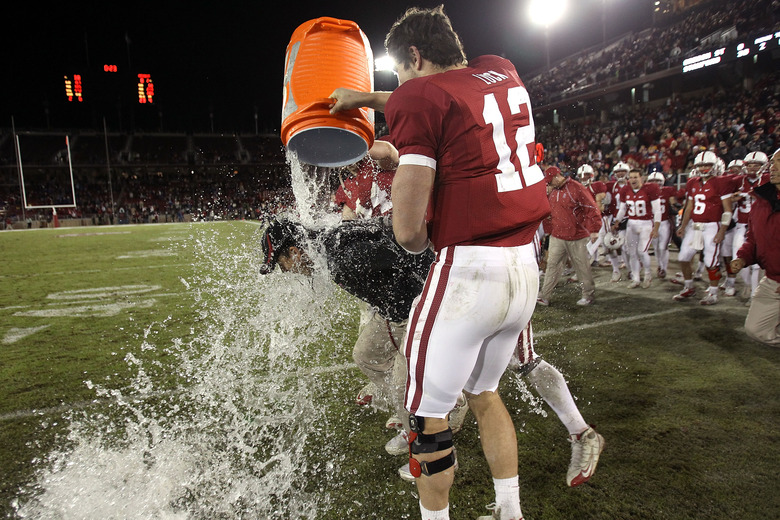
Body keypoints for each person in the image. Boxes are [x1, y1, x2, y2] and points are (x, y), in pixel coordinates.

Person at [330, 7, 554, 520]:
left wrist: (408, 163)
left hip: (469, 273)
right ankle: (509, 511)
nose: (401, 84)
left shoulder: (419, 95)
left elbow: (408, 233)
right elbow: (448, 102)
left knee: (427, 419)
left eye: (402, 69)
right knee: (485, 392)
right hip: (524, 268)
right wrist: (368, 99)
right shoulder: (500, 69)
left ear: (413, 55)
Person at [258, 217, 469, 478]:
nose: (286, 271)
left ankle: (436, 454)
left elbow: (412, 255)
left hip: (420, 307)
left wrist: (431, 307)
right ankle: (418, 419)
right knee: (366, 355)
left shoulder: (343, 257)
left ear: (294, 251)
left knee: (404, 383)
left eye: (282, 264)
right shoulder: (328, 245)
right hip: (395, 310)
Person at [672, 151, 736, 305]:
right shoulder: (692, 182)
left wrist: (722, 231)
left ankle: (713, 293)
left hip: (712, 225)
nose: (704, 168)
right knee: (683, 257)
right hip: (695, 226)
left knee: (710, 261)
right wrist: (683, 225)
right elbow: (689, 207)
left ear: (715, 165)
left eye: (707, 165)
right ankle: (689, 287)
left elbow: (727, 210)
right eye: (701, 165)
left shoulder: (721, 182)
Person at [730, 148, 780, 345]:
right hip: (772, 279)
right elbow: (753, 239)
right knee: (755, 329)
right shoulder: (761, 201)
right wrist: (743, 257)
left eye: (779, 162)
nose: (772, 167)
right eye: (773, 162)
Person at [537, 166, 602, 306]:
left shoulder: (576, 188)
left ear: (557, 176)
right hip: (558, 235)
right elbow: (550, 212)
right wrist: (549, 229)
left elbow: (591, 207)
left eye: (550, 181)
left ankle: (588, 295)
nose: (549, 184)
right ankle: (544, 295)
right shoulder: (553, 191)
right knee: (552, 266)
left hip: (577, 236)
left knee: (582, 267)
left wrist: (594, 229)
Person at [611, 169, 662, 288]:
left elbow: (657, 210)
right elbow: (623, 209)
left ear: (642, 178)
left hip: (646, 223)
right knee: (631, 252)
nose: (633, 180)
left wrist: (656, 228)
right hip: (631, 223)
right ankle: (636, 278)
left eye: (635, 177)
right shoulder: (626, 190)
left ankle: (648, 274)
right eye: (631, 177)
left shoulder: (650, 189)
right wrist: (617, 221)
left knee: (642, 251)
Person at [728, 151, 768, 300]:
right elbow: (726, 198)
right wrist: (733, 199)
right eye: (750, 164)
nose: (752, 167)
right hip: (742, 225)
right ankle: (748, 284)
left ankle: (754, 294)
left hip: (761, 226)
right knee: (738, 258)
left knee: (758, 264)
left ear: (763, 166)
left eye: (756, 165)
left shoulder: (769, 179)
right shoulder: (737, 180)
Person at [645, 171, 677, 279]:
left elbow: (673, 202)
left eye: (657, 181)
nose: (654, 183)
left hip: (664, 223)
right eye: (652, 181)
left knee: (663, 247)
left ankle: (664, 268)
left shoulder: (668, 191)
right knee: (656, 248)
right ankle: (659, 265)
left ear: (662, 181)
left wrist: (674, 205)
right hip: (652, 223)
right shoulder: (645, 193)